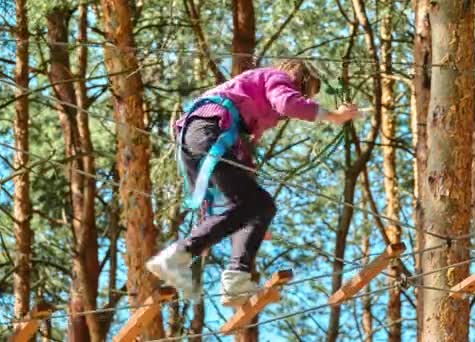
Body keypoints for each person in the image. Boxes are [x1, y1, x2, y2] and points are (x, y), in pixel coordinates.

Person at [146, 59, 360, 306]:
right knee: (259, 204)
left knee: (259, 205)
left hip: (197, 139)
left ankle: (235, 280)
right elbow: (288, 103)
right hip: (206, 133)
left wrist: (256, 220)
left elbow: (243, 176)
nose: (283, 116)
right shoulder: (276, 79)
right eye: (303, 92)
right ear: (298, 81)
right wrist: (333, 116)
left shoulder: (244, 109)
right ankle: (180, 255)